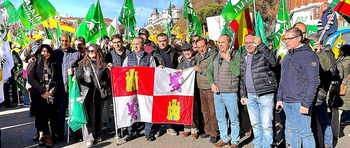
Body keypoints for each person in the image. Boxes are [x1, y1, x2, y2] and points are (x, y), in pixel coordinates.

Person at [276, 27, 319, 148]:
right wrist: (280, 98)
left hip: (300, 102)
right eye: (285, 39)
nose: (286, 41)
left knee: (305, 133)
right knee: (293, 131)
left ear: (299, 38)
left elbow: (313, 81)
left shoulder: (308, 55)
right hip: (287, 101)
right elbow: (282, 79)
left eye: (290, 38)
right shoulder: (287, 55)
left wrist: (306, 103)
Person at [240, 33, 277, 148]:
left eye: (251, 42)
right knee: (255, 124)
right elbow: (242, 76)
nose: (248, 45)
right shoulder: (243, 56)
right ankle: (258, 145)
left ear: (256, 42)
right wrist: (243, 94)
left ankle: (266, 146)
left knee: (266, 125)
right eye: (246, 43)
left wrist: (261, 46)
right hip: (250, 96)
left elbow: (273, 62)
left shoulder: (263, 53)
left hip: (265, 94)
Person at [207, 34, 241, 148]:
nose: (220, 44)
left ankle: (235, 141)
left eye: (223, 42)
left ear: (229, 43)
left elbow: (237, 72)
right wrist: (211, 83)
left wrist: (229, 60)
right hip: (217, 92)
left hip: (230, 92)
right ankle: (225, 138)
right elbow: (209, 71)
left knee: (234, 118)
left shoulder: (236, 55)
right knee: (221, 118)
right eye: (219, 42)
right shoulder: (215, 56)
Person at [122, 37, 156, 142]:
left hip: (145, 89)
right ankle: (132, 131)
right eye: (134, 44)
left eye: (138, 44)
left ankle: (148, 132)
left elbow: (153, 71)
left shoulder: (149, 57)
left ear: (143, 45)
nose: (136, 46)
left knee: (146, 110)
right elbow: (123, 71)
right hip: (132, 89)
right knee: (132, 110)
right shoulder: (128, 58)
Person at [77, 44, 110, 146]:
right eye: (88, 51)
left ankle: (98, 135)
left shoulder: (103, 64)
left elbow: (108, 79)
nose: (90, 52)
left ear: (97, 51)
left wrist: (110, 70)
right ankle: (90, 138)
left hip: (100, 94)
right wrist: (73, 77)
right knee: (89, 118)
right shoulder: (83, 64)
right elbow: (78, 76)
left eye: (92, 51)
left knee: (98, 116)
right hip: (88, 93)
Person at [27, 44, 58, 147]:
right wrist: (42, 91)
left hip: (49, 95)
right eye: (43, 51)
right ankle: (46, 135)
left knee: (48, 115)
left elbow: (56, 80)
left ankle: (44, 134)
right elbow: (30, 78)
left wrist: (50, 92)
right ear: (40, 52)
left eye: (48, 51)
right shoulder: (35, 61)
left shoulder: (53, 63)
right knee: (40, 116)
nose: (46, 53)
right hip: (38, 94)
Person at [52, 33, 81, 142]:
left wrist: (75, 71)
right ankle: (59, 134)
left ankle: (75, 134)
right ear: (60, 41)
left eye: (66, 41)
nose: (64, 43)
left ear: (70, 41)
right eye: (62, 41)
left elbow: (82, 68)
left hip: (72, 89)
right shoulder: (55, 53)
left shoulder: (76, 54)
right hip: (59, 89)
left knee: (74, 112)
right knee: (60, 113)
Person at [152, 33, 179, 136]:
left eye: (164, 41)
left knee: (170, 103)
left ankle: (169, 126)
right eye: (160, 41)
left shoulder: (174, 51)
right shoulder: (154, 53)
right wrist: (157, 67)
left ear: (167, 41)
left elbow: (177, 64)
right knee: (160, 104)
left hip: (171, 82)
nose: (162, 43)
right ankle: (159, 127)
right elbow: (151, 66)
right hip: (159, 82)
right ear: (157, 42)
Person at [193, 37, 219, 143]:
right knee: (205, 111)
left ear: (207, 45)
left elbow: (212, 70)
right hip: (201, 87)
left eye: (202, 47)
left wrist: (200, 70)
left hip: (209, 86)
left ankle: (215, 132)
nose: (200, 49)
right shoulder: (198, 56)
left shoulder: (213, 55)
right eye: (198, 47)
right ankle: (208, 130)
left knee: (213, 111)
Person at [177, 44, 199, 139]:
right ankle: (186, 128)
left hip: (194, 88)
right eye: (184, 51)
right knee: (184, 109)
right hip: (184, 90)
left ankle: (194, 129)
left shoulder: (197, 60)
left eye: (188, 50)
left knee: (194, 110)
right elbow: (177, 74)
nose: (186, 52)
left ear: (192, 51)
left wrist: (197, 69)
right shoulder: (181, 62)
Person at [336, 44, 350, 138]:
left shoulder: (342, 62)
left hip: (345, 87)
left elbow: (339, 76)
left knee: (340, 109)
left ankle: (337, 132)